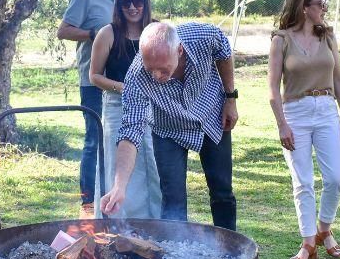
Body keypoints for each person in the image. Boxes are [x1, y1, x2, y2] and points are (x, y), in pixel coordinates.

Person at [101, 21, 239, 230]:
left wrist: (230, 98)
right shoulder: (137, 76)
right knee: (173, 199)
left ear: (180, 50)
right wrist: (119, 186)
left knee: (222, 191)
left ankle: (231, 248)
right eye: (151, 69)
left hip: (211, 115)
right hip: (168, 129)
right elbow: (130, 131)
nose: (156, 76)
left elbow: (224, 52)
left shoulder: (202, 37)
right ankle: (177, 254)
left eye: (163, 69)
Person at [268, 0, 340, 259]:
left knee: (336, 178)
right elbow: (272, 89)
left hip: (326, 109)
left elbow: (339, 79)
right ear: (305, 7)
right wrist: (282, 125)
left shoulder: (327, 36)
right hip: (295, 112)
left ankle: (323, 229)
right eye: (320, 4)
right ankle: (307, 243)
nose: (324, 9)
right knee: (302, 181)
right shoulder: (281, 40)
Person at [58, 0, 132, 217]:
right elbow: (63, 31)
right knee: (94, 139)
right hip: (93, 81)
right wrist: (94, 34)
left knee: (119, 139)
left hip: (122, 82)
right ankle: (88, 202)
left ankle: (114, 196)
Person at [89, 0, 162, 219]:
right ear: (118, 6)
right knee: (116, 166)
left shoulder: (156, 30)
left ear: (145, 2)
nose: (132, 7)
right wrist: (123, 87)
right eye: (126, 2)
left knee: (149, 165)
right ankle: (114, 224)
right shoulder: (108, 33)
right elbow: (94, 76)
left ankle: (152, 224)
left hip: (152, 107)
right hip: (116, 107)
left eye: (137, 1)